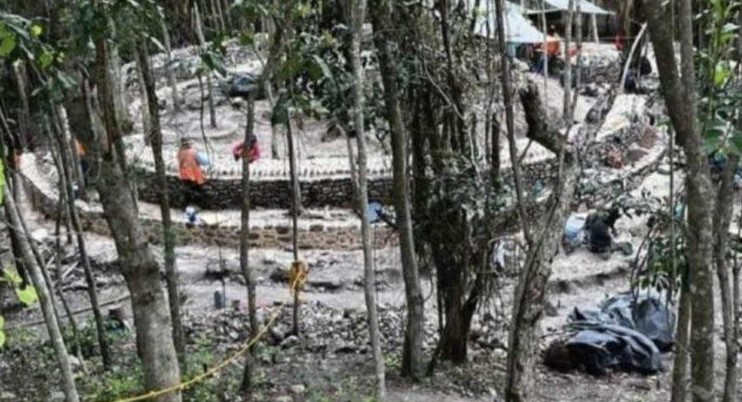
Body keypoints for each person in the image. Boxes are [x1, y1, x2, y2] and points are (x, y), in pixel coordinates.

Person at [177, 138, 208, 208]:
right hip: (193, 175)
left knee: (187, 191)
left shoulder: (180, 152)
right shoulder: (193, 152)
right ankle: (200, 205)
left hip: (183, 175)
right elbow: (203, 161)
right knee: (198, 191)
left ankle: (184, 206)